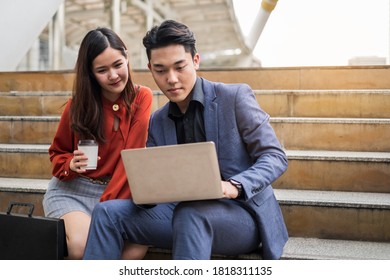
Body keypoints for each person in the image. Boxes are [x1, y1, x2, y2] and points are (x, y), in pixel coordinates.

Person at [83, 20, 288, 260]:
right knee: (106, 213)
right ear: (150, 69)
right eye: (160, 70)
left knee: (191, 214)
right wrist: (147, 190)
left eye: (179, 67)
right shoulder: (157, 121)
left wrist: (234, 186)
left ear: (196, 61)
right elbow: (156, 187)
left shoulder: (234, 97)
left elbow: (275, 157)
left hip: (242, 215)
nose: (171, 79)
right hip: (180, 213)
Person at [43, 27, 152, 259]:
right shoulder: (78, 106)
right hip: (74, 191)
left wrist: (106, 210)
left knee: (136, 250)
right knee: (81, 247)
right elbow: (57, 153)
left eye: (118, 65)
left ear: (127, 57)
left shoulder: (141, 97)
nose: (113, 75)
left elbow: (130, 156)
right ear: (90, 73)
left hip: (120, 191)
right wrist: (70, 164)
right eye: (102, 70)